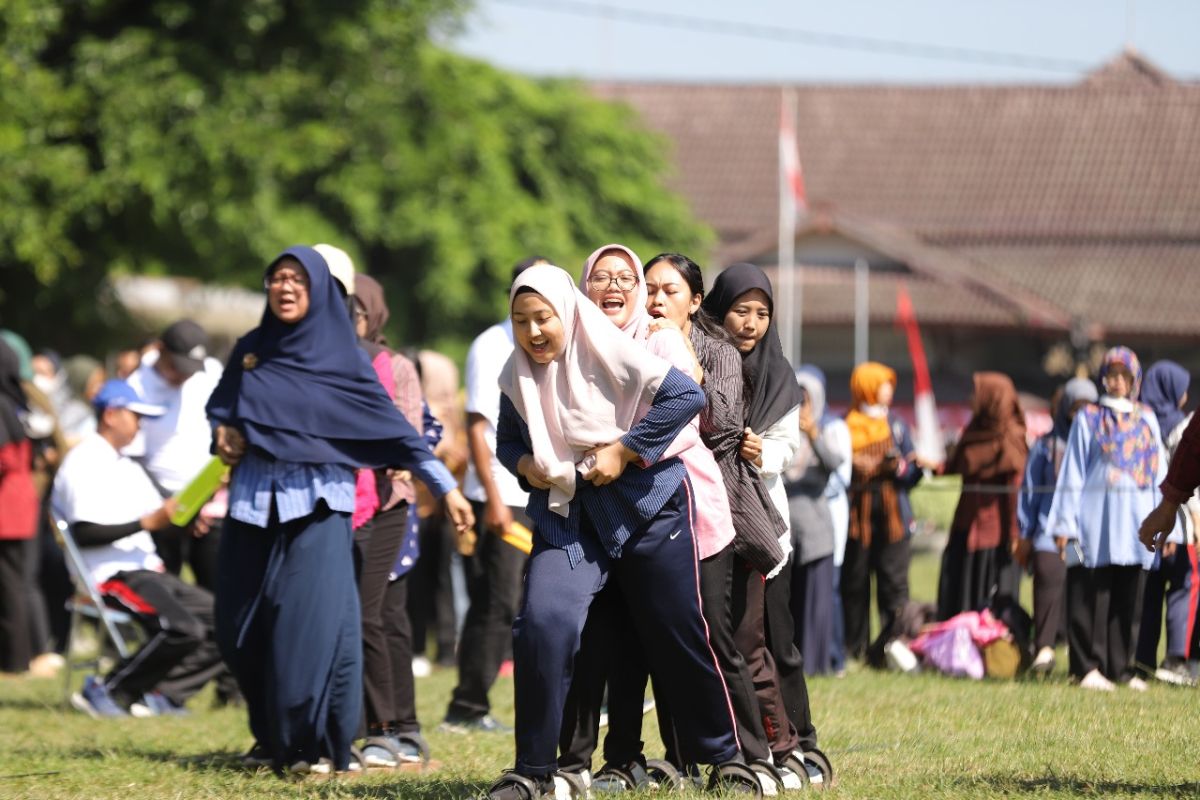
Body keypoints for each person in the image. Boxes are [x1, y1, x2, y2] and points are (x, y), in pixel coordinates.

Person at [485, 264, 752, 800]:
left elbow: (685, 398)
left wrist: (625, 450)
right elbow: (507, 441)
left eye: (544, 319)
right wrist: (524, 467)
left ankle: (725, 760)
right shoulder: (515, 375)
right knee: (543, 623)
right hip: (570, 518)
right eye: (521, 321)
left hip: (648, 508)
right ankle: (533, 771)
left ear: (568, 314)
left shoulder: (620, 350)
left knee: (678, 631)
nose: (534, 332)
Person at [206, 246, 473, 775]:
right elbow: (222, 408)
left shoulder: (345, 359)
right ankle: (272, 737)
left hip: (320, 506)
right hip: (253, 504)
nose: (284, 287)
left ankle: (314, 746)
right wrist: (223, 434)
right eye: (276, 279)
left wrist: (446, 489)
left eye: (296, 280)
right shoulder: (252, 350)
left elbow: (399, 434)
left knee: (307, 630)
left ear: (321, 292)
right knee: (237, 631)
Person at [703, 262, 831, 786]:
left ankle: (799, 741)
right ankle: (733, 744)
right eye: (740, 310)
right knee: (726, 639)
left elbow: (788, 444)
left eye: (761, 313)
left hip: (764, 528)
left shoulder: (781, 375)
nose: (751, 323)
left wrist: (764, 452)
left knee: (776, 644)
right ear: (717, 310)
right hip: (711, 519)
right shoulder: (702, 364)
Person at [53, 379, 226, 716]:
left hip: (147, 570)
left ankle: (162, 695)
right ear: (111, 415)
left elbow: (159, 523)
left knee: (226, 622)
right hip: (111, 574)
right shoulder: (83, 461)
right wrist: (146, 523)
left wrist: (187, 518)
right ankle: (109, 690)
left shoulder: (129, 466)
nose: (140, 424)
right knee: (180, 628)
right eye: (136, 416)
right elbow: (84, 533)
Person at [442, 256, 546, 734]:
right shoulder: (493, 344)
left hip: (542, 493)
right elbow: (479, 425)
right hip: (501, 495)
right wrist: (494, 499)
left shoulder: (555, 340)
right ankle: (467, 707)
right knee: (497, 601)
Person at [346, 270, 436, 768]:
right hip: (343, 505)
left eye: (356, 313)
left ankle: (397, 726)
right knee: (363, 617)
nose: (348, 322)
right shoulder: (324, 361)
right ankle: (368, 725)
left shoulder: (396, 365)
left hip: (388, 505)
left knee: (385, 616)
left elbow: (411, 435)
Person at [1047, 347, 1170, 691]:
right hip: (1095, 523)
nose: (1117, 382)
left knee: (1129, 597)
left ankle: (1121, 667)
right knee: (1091, 593)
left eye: (1124, 376)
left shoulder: (1146, 418)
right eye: (1112, 375)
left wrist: (1165, 519)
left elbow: (1159, 470)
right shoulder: (1089, 418)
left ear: (1134, 380)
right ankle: (1086, 667)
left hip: (1136, 522)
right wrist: (1064, 524)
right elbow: (1072, 470)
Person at [125, 319, 224, 590]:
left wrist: (200, 502)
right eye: (177, 368)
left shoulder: (211, 373)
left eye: (190, 370)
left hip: (208, 504)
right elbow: (133, 458)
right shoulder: (137, 385)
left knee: (217, 592)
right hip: (159, 506)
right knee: (168, 592)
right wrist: (174, 506)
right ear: (160, 350)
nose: (184, 376)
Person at [841, 361, 923, 661]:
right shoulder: (844, 425)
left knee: (893, 585)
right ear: (867, 387)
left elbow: (912, 475)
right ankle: (856, 648)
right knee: (855, 583)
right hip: (856, 521)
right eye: (882, 383)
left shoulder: (898, 426)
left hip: (894, 521)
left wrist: (900, 468)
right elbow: (838, 470)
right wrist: (859, 466)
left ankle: (892, 647)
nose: (889, 389)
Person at [1017, 377, 1098, 674]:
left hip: (1081, 538)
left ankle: (1080, 652)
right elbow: (1029, 490)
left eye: (1089, 407)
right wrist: (1025, 532)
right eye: (1076, 407)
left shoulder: (1099, 447)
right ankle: (1045, 648)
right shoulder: (1046, 445)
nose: (1082, 414)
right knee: (1049, 577)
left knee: (1080, 589)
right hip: (1048, 534)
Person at [936, 372, 1028, 620]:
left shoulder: (1011, 438)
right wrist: (935, 466)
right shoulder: (975, 429)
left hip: (995, 533)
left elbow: (1013, 492)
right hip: (965, 525)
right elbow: (958, 465)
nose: (972, 399)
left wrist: (1013, 535)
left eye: (978, 393)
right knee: (959, 588)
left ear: (993, 397)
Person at [1133, 360, 1198, 686]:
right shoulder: (1183, 425)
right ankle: (1175, 659)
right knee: (1182, 591)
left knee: (1149, 595)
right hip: (1179, 525)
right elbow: (1188, 475)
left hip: (1145, 524)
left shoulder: (1140, 421)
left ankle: (1142, 661)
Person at [789, 367, 850, 676]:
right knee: (790, 603)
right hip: (787, 531)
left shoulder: (826, 431)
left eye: (807, 397)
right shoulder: (780, 431)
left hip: (816, 531)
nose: (801, 403)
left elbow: (834, 464)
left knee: (816, 604)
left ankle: (816, 666)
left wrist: (812, 433)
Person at [0, 338, 38, 675]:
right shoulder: (16, 401)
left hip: (6, 507)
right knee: (15, 583)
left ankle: (13, 660)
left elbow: (4, 457)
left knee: (9, 585)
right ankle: (17, 658)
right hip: (20, 503)